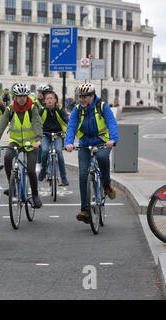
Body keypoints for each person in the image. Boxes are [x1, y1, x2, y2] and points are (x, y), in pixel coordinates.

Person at [65, 83, 119, 224]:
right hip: (85, 143)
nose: (81, 99)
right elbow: (71, 127)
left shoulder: (102, 107)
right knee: (83, 174)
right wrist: (69, 143)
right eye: (80, 96)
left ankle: (106, 183)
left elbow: (112, 123)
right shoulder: (77, 110)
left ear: (92, 96)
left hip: (103, 140)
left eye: (84, 97)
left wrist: (113, 139)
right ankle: (85, 210)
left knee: (102, 156)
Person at [0, 83, 43, 209]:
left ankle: (35, 196)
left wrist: (38, 140)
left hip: (31, 143)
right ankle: (12, 187)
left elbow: (37, 123)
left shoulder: (32, 108)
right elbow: (1, 125)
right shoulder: (10, 109)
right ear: (15, 97)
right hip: (15, 141)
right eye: (19, 96)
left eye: (24, 96)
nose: (22, 98)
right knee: (7, 158)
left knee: (31, 170)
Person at [38, 91, 70, 186]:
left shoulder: (60, 110)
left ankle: (63, 178)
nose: (49, 100)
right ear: (45, 101)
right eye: (47, 99)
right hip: (45, 135)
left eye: (51, 98)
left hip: (58, 135)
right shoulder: (42, 111)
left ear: (55, 100)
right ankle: (43, 171)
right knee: (44, 151)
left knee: (59, 152)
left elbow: (68, 122)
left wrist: (67, 133)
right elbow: (37, 124)